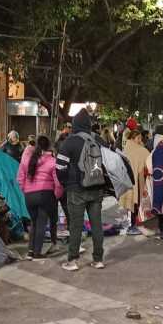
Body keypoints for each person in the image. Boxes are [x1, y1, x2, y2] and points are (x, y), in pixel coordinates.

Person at [55, 109, 106, 271]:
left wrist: (65, 183)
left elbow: (60, 167)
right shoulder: (98, 140)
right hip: (97, 189)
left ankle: (72, 261)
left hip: (76, 190)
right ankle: (98, 259)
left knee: (76, 225)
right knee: (96, 224)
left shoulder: (70, 142)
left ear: (75, 125)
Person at [17, 136, 63, 260]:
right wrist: (57, 195)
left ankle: (30, 251)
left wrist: (26, 190)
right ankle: (37, 252)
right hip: (45, 194)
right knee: (41, 223)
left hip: (29, 196)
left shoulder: (27, 160)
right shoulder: (52, 161)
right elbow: (58, 183)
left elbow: (20, 179)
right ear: (49, 147)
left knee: (34, 222)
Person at [121, 130, 150, 236]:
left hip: (127, 180)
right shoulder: (140, 150)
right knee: (135, 202)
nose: (140, 140)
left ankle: (132, 225)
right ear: (133, 139)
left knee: (132, 203)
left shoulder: (126, 148)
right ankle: (133, 226)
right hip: (137, 180)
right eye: (138, 138)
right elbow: (149, 160)